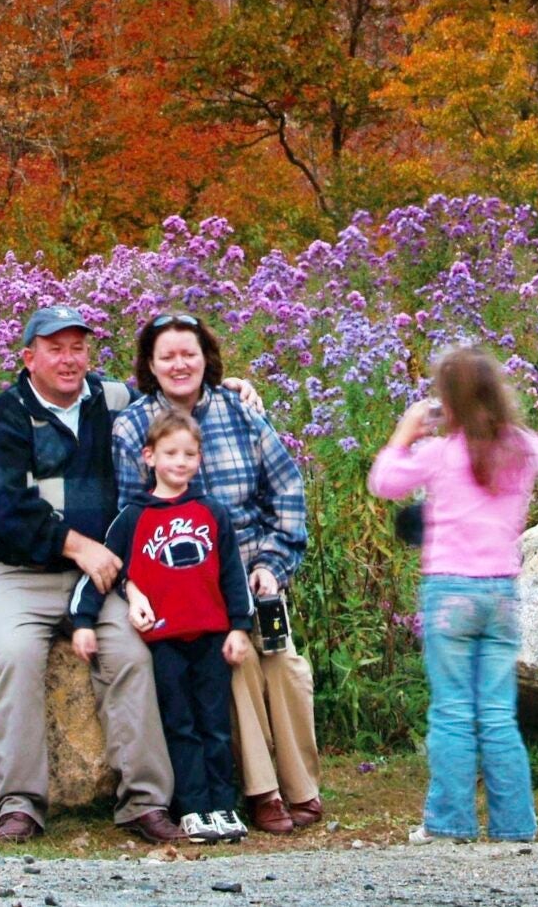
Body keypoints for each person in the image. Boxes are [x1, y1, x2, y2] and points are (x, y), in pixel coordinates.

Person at [0, 304, 179, 844]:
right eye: (55, 348)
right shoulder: (3, 417)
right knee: (15, 654)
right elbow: (3, 509)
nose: (68, 359)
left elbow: (177, 409)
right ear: (28, 357)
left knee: (131, 652)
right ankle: (20, 804)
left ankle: (145, 802)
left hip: (97, 577)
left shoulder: (113, 400)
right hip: (16, 574)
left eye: (78, 347)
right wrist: (80, 546)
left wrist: (232, 388)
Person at [113, 310, 324, 835]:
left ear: (207, 356)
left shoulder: (242, 410)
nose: (180, 364)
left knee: (283, 663)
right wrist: (139, 588)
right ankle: (263, 793)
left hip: (252, 571)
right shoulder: (132, 425)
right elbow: (130, 520)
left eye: (190, 353)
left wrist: (272, 566)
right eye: (167, 356)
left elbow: (288, 491)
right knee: (240, 664)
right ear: (150, 365)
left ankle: (304, 790)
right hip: (185, 590)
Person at [366, 345, 538, 844]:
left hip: (449, 591)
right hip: (501, 593)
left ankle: (450, 823)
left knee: (452, 711)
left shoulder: (437, 455)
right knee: (497, 711)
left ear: (446, 405)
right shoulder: (521, 450)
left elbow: (383, 481)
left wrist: (406, 433)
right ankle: (515, 824)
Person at [71, 410, 254, 845]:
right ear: (149, 456)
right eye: (171, 453)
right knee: (180, 724)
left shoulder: (212, 512)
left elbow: (233, 573)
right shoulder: (133, 518)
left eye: (190, 453)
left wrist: (240, 627)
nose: (181, 461)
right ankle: (191, 807)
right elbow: (105, 571)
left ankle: (222, 806)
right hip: (165, 642)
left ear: (200, 458)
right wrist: (83, 621)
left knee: (214, 723)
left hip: (210, 636)